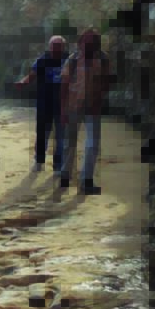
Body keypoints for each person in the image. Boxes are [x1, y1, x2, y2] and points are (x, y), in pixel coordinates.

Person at [60, 28, 111, 195]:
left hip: (93, 107)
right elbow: (64, 85)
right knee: (70, 142)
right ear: (80, 42)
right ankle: (65, 175)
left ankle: (86, 180)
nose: (88, 45)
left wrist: (101, 98)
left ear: (97, 43)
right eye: (85, 42)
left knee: (93, 144)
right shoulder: (72, 60)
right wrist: (62, 109)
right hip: (73, 106)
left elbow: (106, 81)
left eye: (92, 42)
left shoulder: (103, 59)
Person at [14, 35, 69, 171]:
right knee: (43, 133)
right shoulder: (43, 60)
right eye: (53, 46)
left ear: (63, 47)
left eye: (59, 46)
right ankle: (39, 160)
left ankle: (58, 165)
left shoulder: (69, 60)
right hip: (44, 102)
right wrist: (23, 82)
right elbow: (32, 75)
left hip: (63, 104)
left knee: (61, 135)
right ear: (49, 47)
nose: (56, 49)